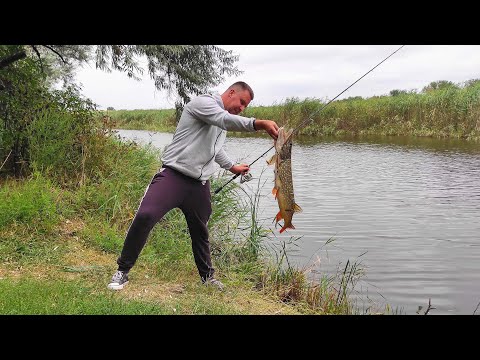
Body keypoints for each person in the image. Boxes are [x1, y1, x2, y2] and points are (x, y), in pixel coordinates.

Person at [107, 81, 279, 291]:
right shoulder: (203, 103)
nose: (242, 108)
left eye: (245, 107)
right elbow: (224, 120)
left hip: (199, 185)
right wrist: (258, 123)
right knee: (145, 216)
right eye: (242, 102)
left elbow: (215, 149)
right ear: (231, 92)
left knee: (201, 231)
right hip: (173, 175)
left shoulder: (220, 119)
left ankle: (208, 277)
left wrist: (232, 167)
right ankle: (122, 271)